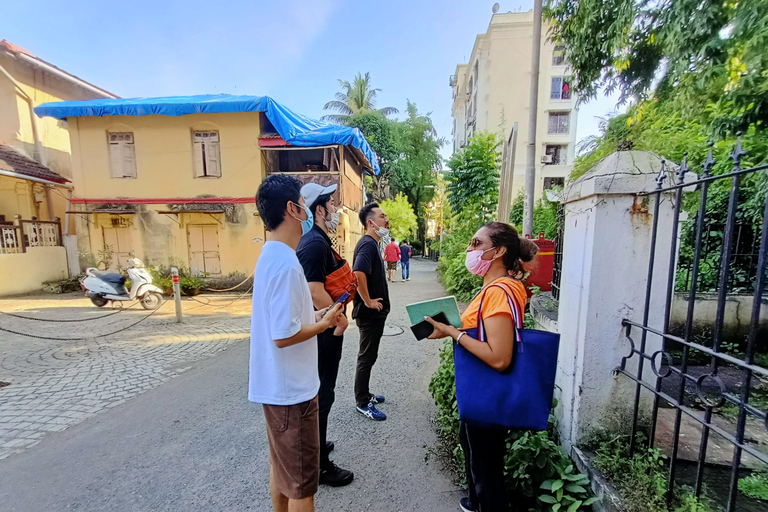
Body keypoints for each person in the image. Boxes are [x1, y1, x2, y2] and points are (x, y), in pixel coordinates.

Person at [425, 222, 538, 512]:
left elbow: (499, 357)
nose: (469, 249)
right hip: (481, 391)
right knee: (479, 455)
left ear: (498, 251)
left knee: (488, 468)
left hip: (487, 391)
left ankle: (486, 503)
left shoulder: (499, 291)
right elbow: (484, 332)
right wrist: (450, 327)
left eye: (476, 243)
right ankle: (477, 501)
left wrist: (455, 333)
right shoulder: (495, 288)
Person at [249, 174, 345, 512]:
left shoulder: (271, 254)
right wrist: (324, 323)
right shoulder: (287, 264)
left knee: (284, 471)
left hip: (277, 387)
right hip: (293, 392)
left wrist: (318, 313)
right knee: (303, 484)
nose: (307, 208)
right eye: (303, 203)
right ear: (292, 208)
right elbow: (284, 335)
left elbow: (284, 320)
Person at [296, 182, 355, 488]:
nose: (335, 209)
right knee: (323, 394)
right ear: (318, 209)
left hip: (325, 326)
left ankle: (319, 443)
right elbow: (314, 290)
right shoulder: (314, 243)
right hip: (324, 330)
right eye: (331, 204)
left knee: (323, 392)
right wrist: (339, 319)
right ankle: (319, 466)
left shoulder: (317, 239)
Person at [352, 202, 391, 421]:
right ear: (370, 222)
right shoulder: (367, 244)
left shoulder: (372, 244)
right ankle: (362, 403)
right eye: (382, 216)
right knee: (366, 357)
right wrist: (367, 301)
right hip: (369, 314)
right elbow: (358, 272)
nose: (386, 220)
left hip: (374, 313)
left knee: (370, 355)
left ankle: (365, 394)